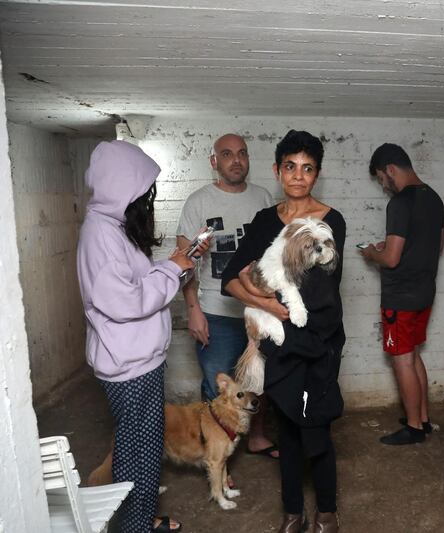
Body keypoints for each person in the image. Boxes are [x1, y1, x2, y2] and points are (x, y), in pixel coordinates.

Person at [221, 130, 345, 533]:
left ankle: (327, 511)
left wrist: (258, 290)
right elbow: (230, 278)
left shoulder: (331, 221)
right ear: (277, 171)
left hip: (319, 342)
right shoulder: (262, 221)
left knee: (318, 428)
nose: (298, 176)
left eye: (307, 168)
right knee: (288, 430)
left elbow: (321, 286)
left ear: (317, 174)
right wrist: (272, 304)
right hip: (280, 342)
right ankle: (293, 512)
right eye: (290, 167)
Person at [77, 140, 204, 533]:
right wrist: (171, 270)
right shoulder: (100, 236)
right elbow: (126, 302)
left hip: (138, 360)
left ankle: (141, 519)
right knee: (139, 452)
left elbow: (138, 281)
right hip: (128, 368)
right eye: (144, 192)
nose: (147, 201)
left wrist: (180, 263)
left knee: (143, 448)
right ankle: (135, 527)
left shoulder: (110, 227)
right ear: (122, 187)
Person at [176, 133, 279, 459]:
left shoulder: (263, 198)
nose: (236, 160)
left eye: (242, 154)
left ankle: (257, 437)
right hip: (216, 313)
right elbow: (183, 262)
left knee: (258, 383)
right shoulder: (199, 202)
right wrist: (193, 309)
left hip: (258, 311)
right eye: (227, 154)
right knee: (217, 388)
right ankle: (215, 454)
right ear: (214, 162)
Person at [361, 143, 444, 446]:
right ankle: (422, 418)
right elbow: (437, 245)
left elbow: (393, 259)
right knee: (414, 356)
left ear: (390, 169)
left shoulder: (399, 203)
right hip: (424, 292)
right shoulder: (433, 197)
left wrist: (373, 253)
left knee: (402, 360)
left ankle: (413, 427)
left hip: (400, 297)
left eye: (382, 179)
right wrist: (395, 250)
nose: (384, 186)